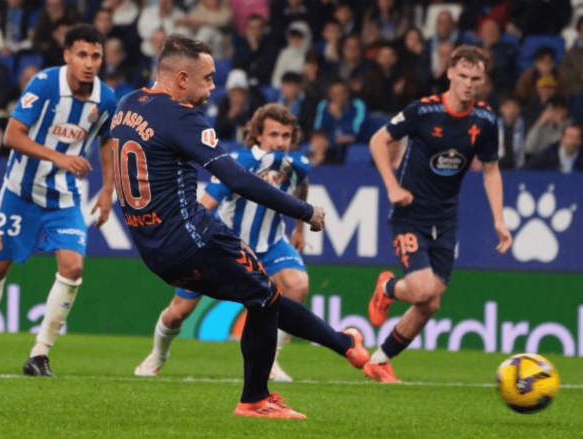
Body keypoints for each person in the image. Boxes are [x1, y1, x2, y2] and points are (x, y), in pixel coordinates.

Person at [110, 34, 370, 419]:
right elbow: (239, 179)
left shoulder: (127, 104)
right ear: (182, 78)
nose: (214, 87)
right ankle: (255, 400)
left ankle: (344, 344)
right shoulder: (182, 117)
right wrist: (304, 211)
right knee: (264, 297)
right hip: (195, 237)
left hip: (153, 248)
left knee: (264, 294)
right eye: (208, 78)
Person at [0, 24, 117, 377]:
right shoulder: (45, 84)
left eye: (96, 56)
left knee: (73, 268)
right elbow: (12, 135)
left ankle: (39, 354)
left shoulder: (106, 98)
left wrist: (108, 191)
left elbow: (108, 139)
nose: (89, 63)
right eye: (82, 55)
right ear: (67, 56)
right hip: (20, 192)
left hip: (64, 197)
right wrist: (59, 158)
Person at [367, 45, 513, 383]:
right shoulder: (423, 111)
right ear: (449, 73)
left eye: (475, 78)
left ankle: (380, 359)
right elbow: (378, 140)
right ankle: (388, 287)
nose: (468, 84)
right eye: (462, 75)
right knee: (420, 291)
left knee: (430, 303)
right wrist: (391, 186)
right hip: (409, 214)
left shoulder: (486, 121)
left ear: (483, 81)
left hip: (446, 221)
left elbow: (491, 171)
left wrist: (499, 219)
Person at [135, 103, 311, 383]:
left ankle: (271, 362)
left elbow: (300, 188)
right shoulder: (237, 163)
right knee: (178, 313)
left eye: (286, 136)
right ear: (257, 136)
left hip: (271, 244)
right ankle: (157, 355)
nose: (280, 142)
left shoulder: (297, 166)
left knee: (297, 285)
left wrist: (299, 228)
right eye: (274, 134)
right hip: (227, 249)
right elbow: (205, 204)